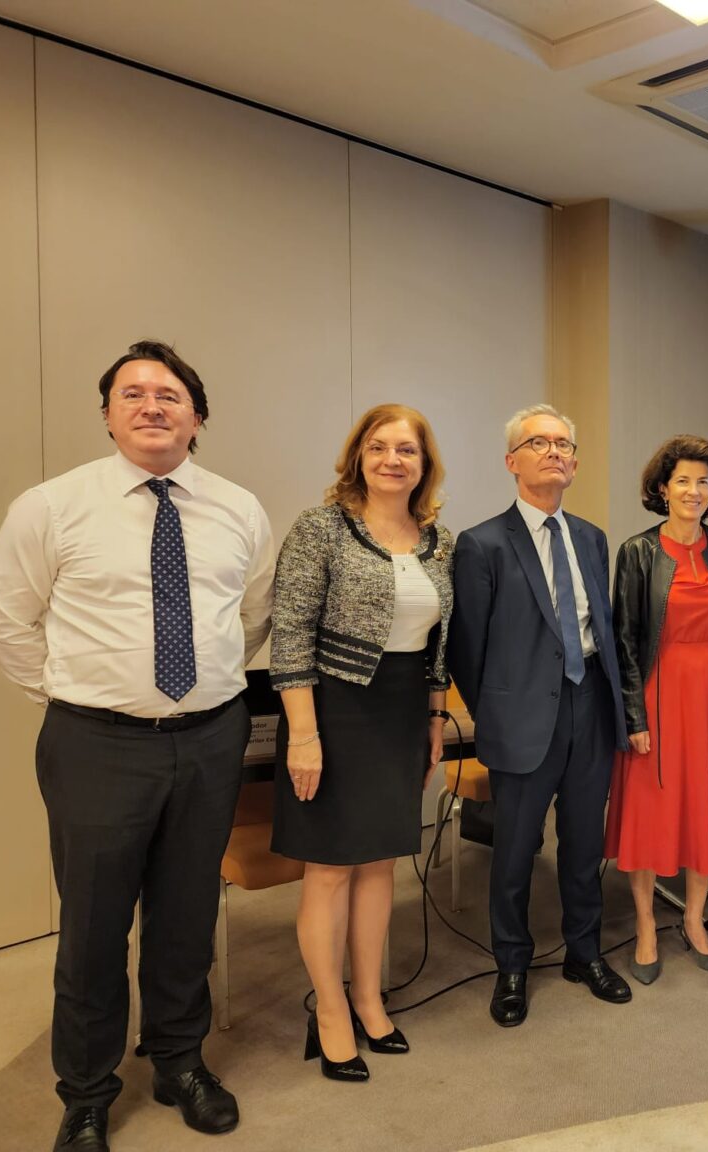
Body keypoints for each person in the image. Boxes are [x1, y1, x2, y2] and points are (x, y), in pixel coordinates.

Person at [0, 340, 273, 1152]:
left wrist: (201, 688)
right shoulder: (52, 506)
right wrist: (77, 693)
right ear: (107, 414)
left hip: (210, 738)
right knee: (94, 926)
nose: (151, 406)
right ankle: (87, 1092)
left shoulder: (239, 508)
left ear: (198, 416)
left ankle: (179, 1061)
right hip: (96, 745)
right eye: (132, 394)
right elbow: (1, 618)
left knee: (186, 915)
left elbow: (252, 616)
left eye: (169, 395)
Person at [268, 404, 454, 1081]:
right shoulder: (320, 528)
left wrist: (434, 718)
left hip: (402, 712)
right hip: (333, 708)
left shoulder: (439, 539)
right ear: (358, 456)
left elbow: (440, 644)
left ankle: (369, 998)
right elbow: (290, 634)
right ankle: (329, 1012)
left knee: (380, 863)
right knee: (331, 868)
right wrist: (304, 736)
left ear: (424, 465)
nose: (392, 460)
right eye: (378, 447)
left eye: (406, 450)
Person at [446, 404, 631, 1028]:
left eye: (563, 444)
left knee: (583, 844)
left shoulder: (591, 538)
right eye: (538, 443)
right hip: (521, 717)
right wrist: (498, 712)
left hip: (590, 708)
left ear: (574, 463)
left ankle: (585, 953)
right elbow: (466, 649)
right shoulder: (482, 544)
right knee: (516, 850)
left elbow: (601, 629)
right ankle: (512, 965)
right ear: (511, 461)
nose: (554, 452)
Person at [607, 435, 708, 981]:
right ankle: (647, 925)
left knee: (707, 807)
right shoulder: (637, 551)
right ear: (662, 489)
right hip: (658, 692)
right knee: (650, 810)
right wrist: (633, 716)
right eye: (683, 481)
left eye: (703, 482)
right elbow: (625, 641)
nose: (694, 491)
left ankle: (695, 919)